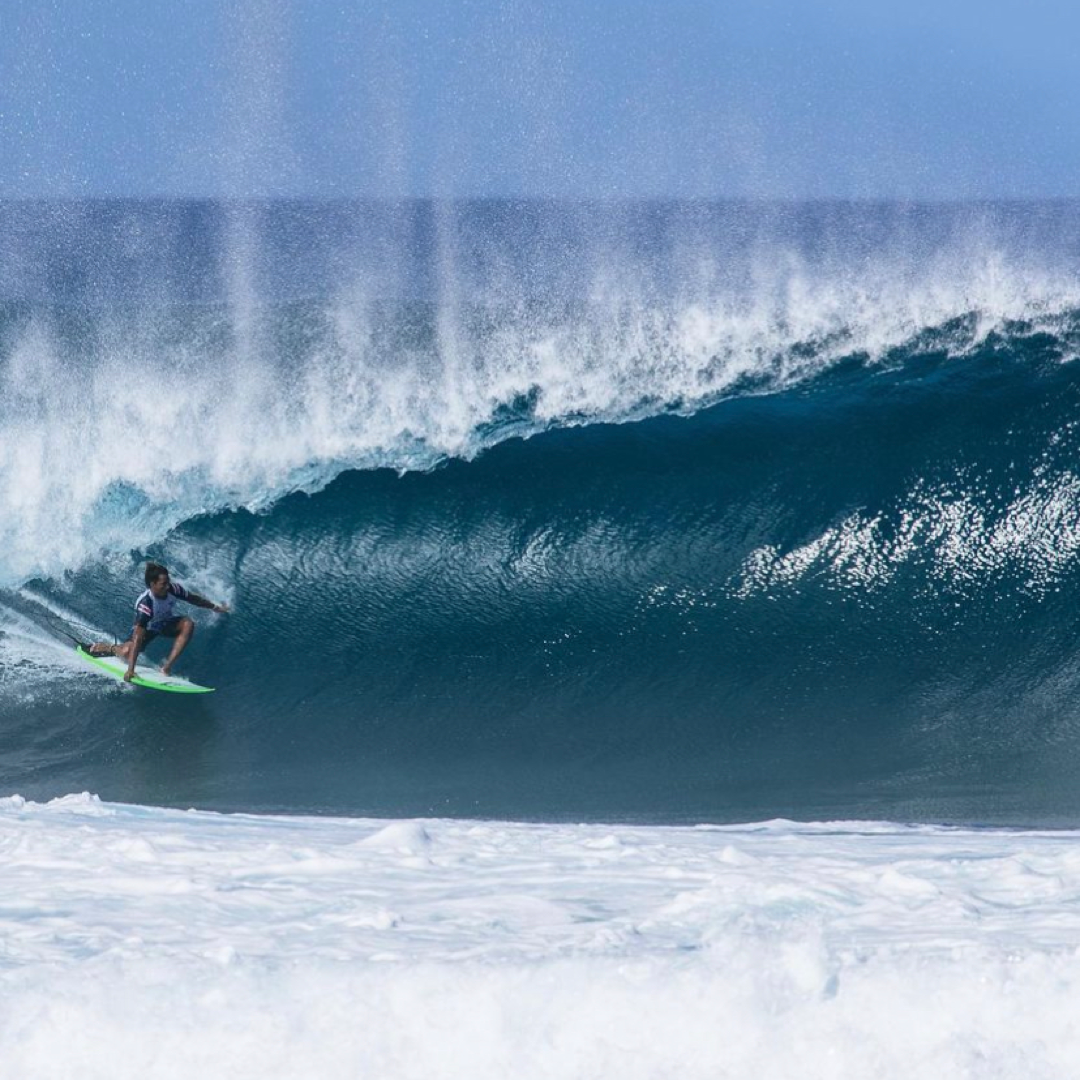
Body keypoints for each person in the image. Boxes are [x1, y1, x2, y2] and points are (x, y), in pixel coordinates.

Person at [90, 562, 230, 682]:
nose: (168, 586)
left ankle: (166, 667)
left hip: (165, 624)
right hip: (148, 629)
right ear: (153, 584)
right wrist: (131, 670)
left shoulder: (174, 589)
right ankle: (110, 648)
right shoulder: (146, 604)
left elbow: (194, 599)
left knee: (188, 623)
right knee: (127, 652)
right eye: (163, 584)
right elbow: (138, 636)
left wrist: (215, 607)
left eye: (168, 582)